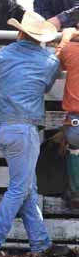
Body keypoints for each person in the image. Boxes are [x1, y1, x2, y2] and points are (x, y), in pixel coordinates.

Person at [0, 11, 70, 257]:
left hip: (3, 127)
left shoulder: (4, 55)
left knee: (27, 186)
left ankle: (40, 242)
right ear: (41, 38)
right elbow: (47, 86)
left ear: (20, 32)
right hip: (25, 128)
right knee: (20, 188)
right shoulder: (49, 61)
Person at [55, 27, 79, 208]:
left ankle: (75, 191)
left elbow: (55, 62)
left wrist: (66, 38)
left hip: (75, 120)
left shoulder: (70, 49)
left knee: (74, 149)